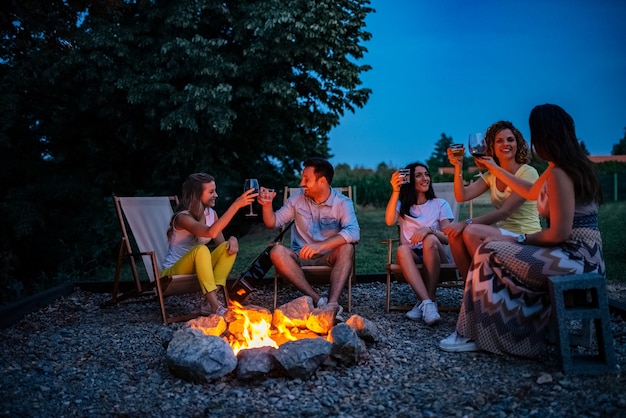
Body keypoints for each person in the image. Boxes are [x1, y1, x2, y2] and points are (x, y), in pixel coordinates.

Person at [439, 104, 605, 358]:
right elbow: (530, 192)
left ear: (544, 136)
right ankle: (487, 322)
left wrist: (520, 238)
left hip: (577, 260)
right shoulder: (563, 167)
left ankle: (477, 331)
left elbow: (558, 234)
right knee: (487, 249)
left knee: (487, 253)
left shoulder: (559, 173)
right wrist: (491, 166)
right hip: (587, 257)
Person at [259, 157, 360, 317]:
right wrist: (266, 205)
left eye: (306, 179)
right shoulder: (296, 200)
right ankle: (318, 300)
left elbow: (354, 232)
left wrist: (320, 246)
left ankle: (332, 303)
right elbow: (274, 222)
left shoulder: (342, 203)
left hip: (329, 256)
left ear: (322, 181)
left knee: (347, 248)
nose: (301, 183)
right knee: (276, 251)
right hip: (300, 256)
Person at [443, 121, 542, 279]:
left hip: (526, 235)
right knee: (455, 236)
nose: (506, 144)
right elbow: (462, 196)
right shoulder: (491, 176)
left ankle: (488, 281)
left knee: (471, 230)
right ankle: (472, 285)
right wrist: (458, 167)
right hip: (504, 232)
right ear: (492, 147)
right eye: (499, 141)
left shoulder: (528, 172)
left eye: (510, 139)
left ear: (518, 143)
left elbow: (505, 212)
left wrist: (466, 222)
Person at [161, 173, 257, 316]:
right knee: (201, 250)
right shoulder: (182, 217)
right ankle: (215, 306)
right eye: (211, 192)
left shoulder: (212, 214)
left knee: (227, 249)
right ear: (197, 194)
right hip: (172, 274)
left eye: (215, 190)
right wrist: (235, 205)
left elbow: (222, 245)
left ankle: (208, 303)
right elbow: (210, 233)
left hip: (199, 272)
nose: (216, 195)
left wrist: (232, 239)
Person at [385, 162, 454, 325]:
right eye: (419, 175)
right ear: (409, 181)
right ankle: (428, 303)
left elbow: (449, 237)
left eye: (427, 174)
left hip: (437, 257)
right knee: (402, 249)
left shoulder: (440, 204)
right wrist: (395, 191)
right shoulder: (402, 206)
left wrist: (429, 230)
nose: (425, 178)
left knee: (429, 239)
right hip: (412, 259)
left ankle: (426, 300)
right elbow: (389, 221)